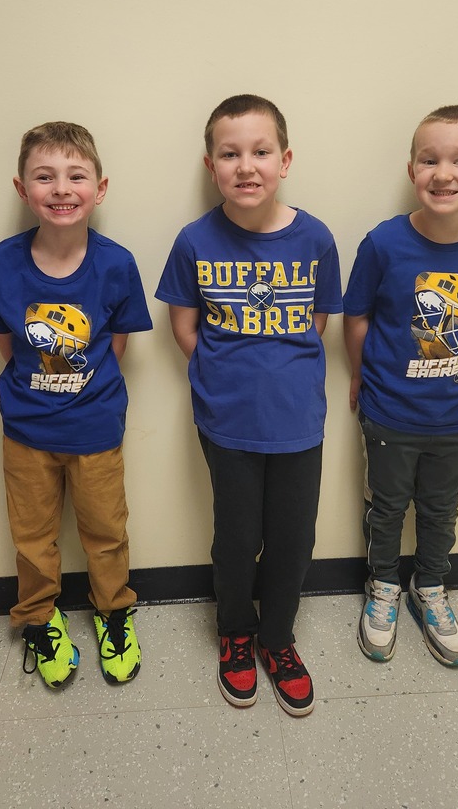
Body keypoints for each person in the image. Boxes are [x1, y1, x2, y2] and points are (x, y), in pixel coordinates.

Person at [156, 94, 342, 716]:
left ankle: (278, 639)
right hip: (226, 423)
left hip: (299, 424)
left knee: (292, 539)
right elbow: (184, 327)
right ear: (210, 165)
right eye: (230, 153)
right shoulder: (194, 240)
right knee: (237, 538)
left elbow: (316, 323)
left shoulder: (315, 237)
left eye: (260, 151)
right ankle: (235, 631)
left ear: (284, 159)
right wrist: (221, 378)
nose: (246, 166)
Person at [0, 121, 152, 689]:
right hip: (25, 430)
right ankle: (40, 618)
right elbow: (6, 341)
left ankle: (114, 613)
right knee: (31, 535)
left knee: (106, 531)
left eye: (76, 175)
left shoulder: (117, 263)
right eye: (44, 176)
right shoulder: (2, 262)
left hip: (96, 427)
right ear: (23, 190)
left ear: (100, 188)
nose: (61, 188)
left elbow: (116, 345)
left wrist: (83, 389)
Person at [343, 105, 458, 668]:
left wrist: (456, 360)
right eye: (429, 160)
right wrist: (359, 375)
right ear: (412, 169)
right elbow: (358, 318)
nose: (444, 173)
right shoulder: (384, 243)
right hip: (390, 411)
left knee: (442, 509)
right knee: (388, 506)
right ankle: (385, 588)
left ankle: (432, 589)